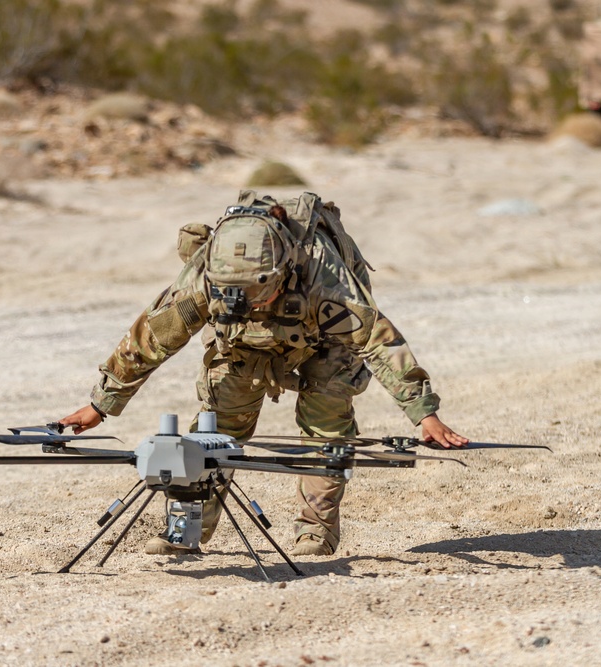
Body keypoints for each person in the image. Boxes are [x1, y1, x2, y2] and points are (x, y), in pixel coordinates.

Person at [61, 190, 467, 557]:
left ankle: (316, 532)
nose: (247, 303)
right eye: (234, 295)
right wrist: (102, 404)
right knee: (213, 429)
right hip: (241, 345)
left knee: (326, 429)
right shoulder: (208, 276)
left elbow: (378, 341)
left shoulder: (323, 278)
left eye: (258, 295)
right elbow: (153, 335)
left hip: (326, 340)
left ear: (283, 272)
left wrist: (423, 412)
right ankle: (187, 530)